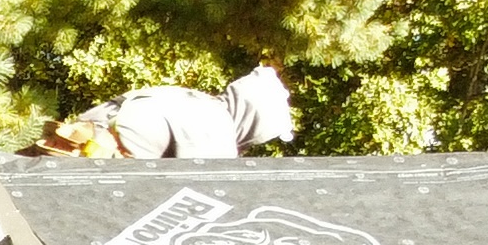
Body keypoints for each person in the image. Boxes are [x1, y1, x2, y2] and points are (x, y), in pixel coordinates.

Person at [25, 66, 297, 160]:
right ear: (256, 125)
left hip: (73, 141)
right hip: (87, 160)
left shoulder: (192, 99)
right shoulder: (217, 135)